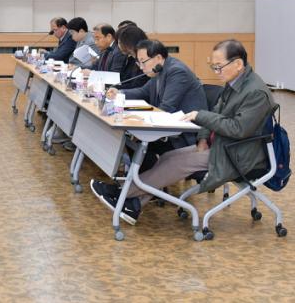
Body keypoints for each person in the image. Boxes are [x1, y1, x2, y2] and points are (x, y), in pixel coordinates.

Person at [91, 39, 275, 225]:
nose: (216, 72)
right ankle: (134, 203)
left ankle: (122, 193)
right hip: (222, 144)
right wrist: (203, 138)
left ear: (238, 64)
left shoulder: (255, 92)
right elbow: (214, 113)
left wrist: (200, 116)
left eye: (219, 67)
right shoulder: (234, 82)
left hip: (240, 153)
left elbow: (238, 129)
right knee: (167, 158)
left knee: (175, 164)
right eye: (214, 67)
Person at [107, 39, 208, 170]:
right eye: (139, 63)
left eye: (143, 62)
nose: (141, 67)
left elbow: (166, 108)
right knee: (132, 140)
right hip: (169, 129)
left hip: (183, 135)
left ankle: (146, 180)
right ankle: (142, 179)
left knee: (138, 142)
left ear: (158, 58)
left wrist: (139, 117)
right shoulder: (160, 70)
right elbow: (143, 91)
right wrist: (119, 93)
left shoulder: (177, 71)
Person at [115, 25, 149, 89]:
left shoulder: (146, 58)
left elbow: (138, 85)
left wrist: (115, 88)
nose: (119, 46)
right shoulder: (131, 58)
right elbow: (125, 80)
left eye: (120, 42)